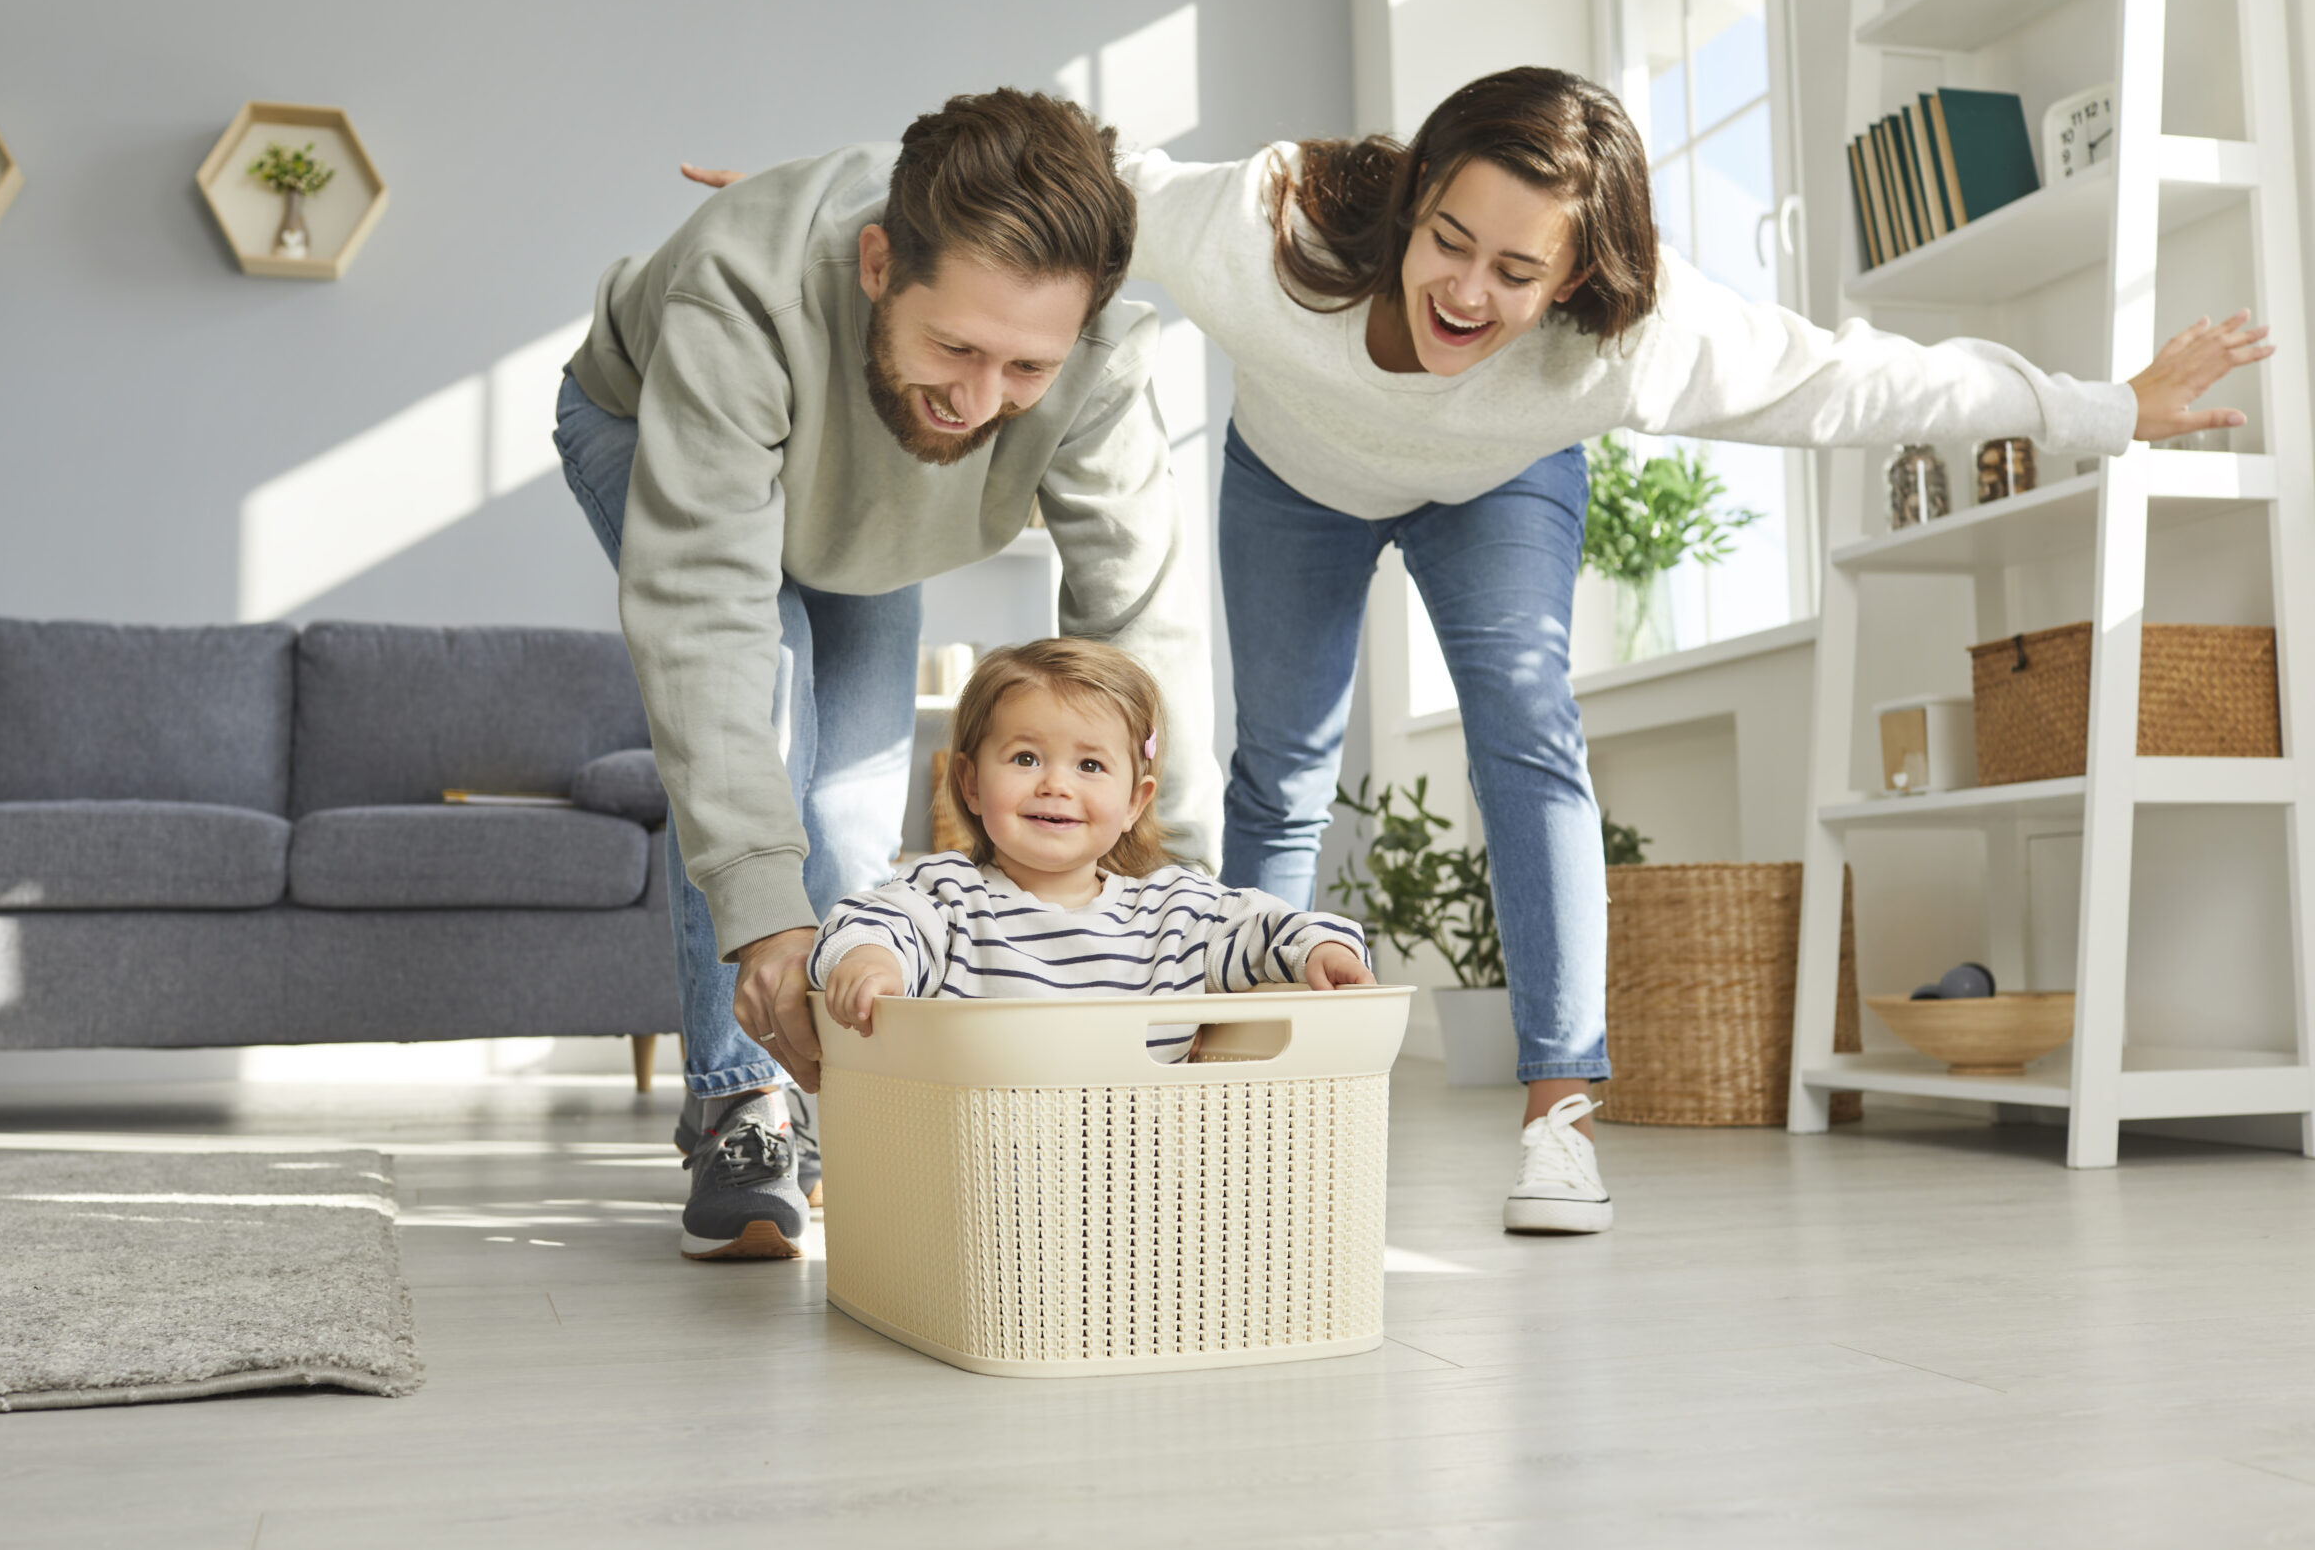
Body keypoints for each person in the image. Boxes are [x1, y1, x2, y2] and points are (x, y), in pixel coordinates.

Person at [687, 65, 2270, 1237]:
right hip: (1298, 478)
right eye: (1450, 239)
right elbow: (1052, 172)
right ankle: (1233, 1101)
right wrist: (821, 210)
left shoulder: (1642, 340)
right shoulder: (1270, 225)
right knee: (1285, 758)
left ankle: (1559, 1110)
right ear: (1416, 191)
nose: (1467, 289)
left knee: (1525, 713)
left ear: (1578, 274)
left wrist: (2104, 410)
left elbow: (1860, 383)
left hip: (1502, 481)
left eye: (1521, 272)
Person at [554, 90, 1218, 1262]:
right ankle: (739, 1106)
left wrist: (1189, 902)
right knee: (769, 720)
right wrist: (764, 928)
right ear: (875, 264)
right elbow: (708, 628)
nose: (979, 403)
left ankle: (857, 1093)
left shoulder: (1103, 360)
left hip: (874, 493)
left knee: (853, 807)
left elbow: (1137, 634)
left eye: (1025, 367)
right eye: (955, 345)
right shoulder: (740, 295)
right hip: (643, 413)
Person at [813, 638, 1374, 1054]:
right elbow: (871, 921)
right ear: (970, 783)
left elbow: (1269, 929)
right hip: (986, 1179)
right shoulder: (947, 898)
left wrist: (1324, 951)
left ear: (1135, 800)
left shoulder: (1175, 914)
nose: (1056, 785)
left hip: (1137, 1186)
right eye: (1025, 758)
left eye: (1090, 765)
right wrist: (871, 959)